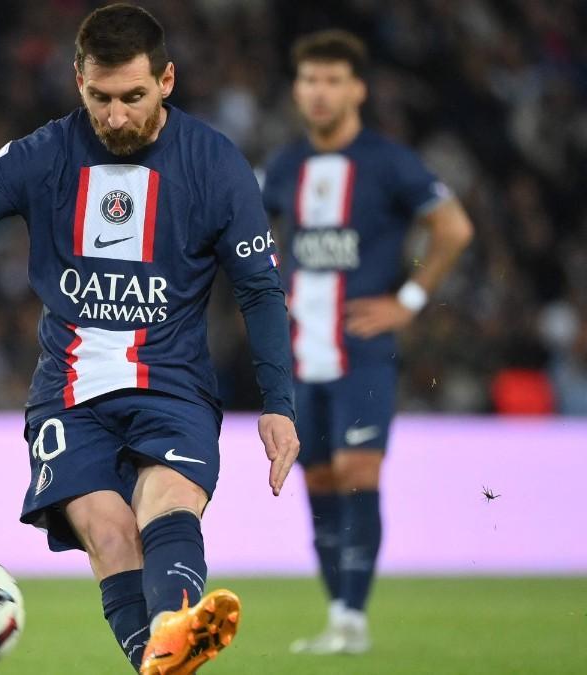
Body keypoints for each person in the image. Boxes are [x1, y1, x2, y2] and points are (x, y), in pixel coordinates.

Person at [0, 5, 300, 673]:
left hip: (174, 384)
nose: (116, 117)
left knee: (167, 500)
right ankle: (166, 650)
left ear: (167, 80)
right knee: (108, 530)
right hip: (70, 394)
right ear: (77, 80)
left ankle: (168, 635)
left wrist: (278, 402)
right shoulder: (45, 153)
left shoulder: (215, 163)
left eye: (133, 97)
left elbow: (259, 288)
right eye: (100, 98)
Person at [261, 29, 475, 655]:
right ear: (297, 90)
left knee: (358, 472)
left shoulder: (388, 161)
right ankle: (338, 616)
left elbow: (453, 227)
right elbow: (252, 232)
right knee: (320, 482)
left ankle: (353, 618)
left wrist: (407, 302)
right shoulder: (286, 166)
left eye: (332, 80)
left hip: (361, 349)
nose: (319, 92)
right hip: (301, 352)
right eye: (309, 80)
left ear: (357, 89)